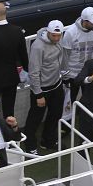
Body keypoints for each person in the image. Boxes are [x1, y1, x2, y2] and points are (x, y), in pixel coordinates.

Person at [24, 20, 68, 155]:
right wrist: (38, 94)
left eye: (58, 35)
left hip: (56, 84)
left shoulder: (60, 40)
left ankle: (48, 140)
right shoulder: (38, 47)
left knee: (55, 114)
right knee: (35, 119)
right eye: (53, 35)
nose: (56, 38)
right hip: (42, 89)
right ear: (48, 32)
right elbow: (33, 72)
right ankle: (30, 145)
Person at [61, 8, 93, 103]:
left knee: (90, 97)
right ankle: (69, 117)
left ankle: (83, 114)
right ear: (84, 21)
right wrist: (65, 75)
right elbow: (65, 55)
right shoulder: (71, 32)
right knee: (70, 99)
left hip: (91, 71)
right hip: (74, 73)